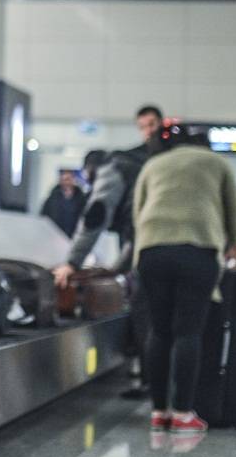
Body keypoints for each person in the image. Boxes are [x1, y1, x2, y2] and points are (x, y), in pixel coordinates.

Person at [131, 126, 236, 437]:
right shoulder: (217, 163)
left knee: (160, 329)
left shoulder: (154, 164)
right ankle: (182, 413)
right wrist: (235, 243)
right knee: (188, 331)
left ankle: (158, 412)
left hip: (152, 250)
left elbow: (138, 210)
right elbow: (233, 211)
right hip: (197, 249)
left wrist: (143, 248)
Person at [53, 106, 167, 398]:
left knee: (145, 312)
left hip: (152, 249)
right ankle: (168, 384)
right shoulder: (155, 161)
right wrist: (117, 267)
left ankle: (151, 383)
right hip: (183, 248)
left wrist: (71, 262)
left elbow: (96, 215)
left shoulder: (114, 166)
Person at [40, 168, 88, 238]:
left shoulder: (81, 199)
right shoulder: (52, 198)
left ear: (73, 180)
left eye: (68, 179)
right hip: (54, 236)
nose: (66, 182)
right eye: (63, 180)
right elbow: (43, 215)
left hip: (73, 237)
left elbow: (84, 217)